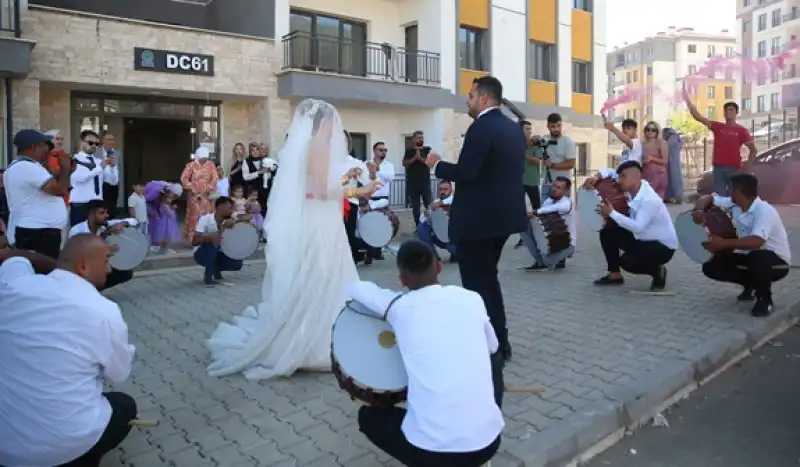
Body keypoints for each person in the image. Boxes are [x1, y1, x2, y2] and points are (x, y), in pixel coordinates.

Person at [207, 99, 380, 380]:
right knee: (323, 274)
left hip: (315, 218)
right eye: (334, 123)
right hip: (321, 220)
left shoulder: (304, 148)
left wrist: (347, 178)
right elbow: (323, 192)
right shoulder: (319, 148)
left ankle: (308, 331)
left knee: (316, 274)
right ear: (323, 124)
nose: (337, 129)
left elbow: (314, 188)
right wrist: (362, 191)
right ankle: (317, 339)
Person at [348, 240, 503, 467]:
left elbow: (355, 288)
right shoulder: (471, 298)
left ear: (402, 280)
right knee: (495, 359)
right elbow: (493, 348)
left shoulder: (398, 306)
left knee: (368, 418)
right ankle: (484, 416)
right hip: (488, 444)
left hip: (432, 456)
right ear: (439, 268)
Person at [0, 234, 137, 467]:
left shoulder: (11, 287)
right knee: (124, 406)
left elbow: (13, 259)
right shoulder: (103, 311)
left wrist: (55, 266)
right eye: (106, 260)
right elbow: (120, 374)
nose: (109, 269)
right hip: (65, 447)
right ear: (83, 265)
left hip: (7, 450)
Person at [425, 75, 527, 364]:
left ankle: (490, 348)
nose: (467, 101)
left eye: (470, 96)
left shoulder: (481, 128)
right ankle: (500, 342)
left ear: (484, 99)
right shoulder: (512, 128)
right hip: (504, 219)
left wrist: (438, 165)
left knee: (477, 287)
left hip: (479, 222)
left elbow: (469, 172)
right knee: (489, 281)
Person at [694, 173, 791, 317]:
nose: (729, 192)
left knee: (758, 257)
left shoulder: (764, 211)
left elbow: (757, 241)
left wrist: (723, 244)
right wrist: (699, 210)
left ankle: (765, 298)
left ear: (738, 191)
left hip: (775, 262)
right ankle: (751, 285)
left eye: (731, 189)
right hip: (748, 255)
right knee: (711, 265)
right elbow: (708, 198)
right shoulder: (735, 204)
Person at [587, 160, 678, 290]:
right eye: (620, 176)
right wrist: (596, 177)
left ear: (637, 176)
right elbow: (611, 172)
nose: (619, 179)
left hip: (662, 246)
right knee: (607, 231)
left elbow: (638, 226)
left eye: (624, 176)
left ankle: (658, 271)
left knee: (627, 262)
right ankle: (614, 275)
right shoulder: (631, 188)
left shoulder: (649, 199)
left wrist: (612, 213)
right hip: (642, 238)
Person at [4, 129, 70, 258]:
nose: (47, 149)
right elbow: (60, 190)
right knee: (41, 273)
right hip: (36, 233)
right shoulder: (27, 167)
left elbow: (51, 186)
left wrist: (63, 173)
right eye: (44, 145)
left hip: (36, 231)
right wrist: (65, 168)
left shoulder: (23, 166)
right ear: (34, 147)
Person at [683, 81, 757, 196]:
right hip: (719, 167)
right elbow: (698, 117)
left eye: (731, 109)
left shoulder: (742, 130)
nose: (728, 112)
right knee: (719, 197)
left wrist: (747, 166)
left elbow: (753, 150)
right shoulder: (718, 127)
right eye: (726, 110)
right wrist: (687, 101)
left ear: (736, 112)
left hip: (734, 168)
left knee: (735, 196)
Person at [68, 199, 137, 291]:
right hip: (81, 268)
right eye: (102, 213)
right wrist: (103, 250)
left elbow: (135, 221)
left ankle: (94, 290)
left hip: (97, 265)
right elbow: (75, 255)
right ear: (91, 215)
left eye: (106, 212)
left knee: (126, 273)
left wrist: (123, 224)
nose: (107, 215)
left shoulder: (106, 225)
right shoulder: (77, 230)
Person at [521, 176, 575, 271]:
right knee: (525, 229)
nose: (554, 189)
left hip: (568, 244)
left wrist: (534, 212)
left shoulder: (567, 203)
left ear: (566, 191)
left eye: (558, 188)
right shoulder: (549, 200)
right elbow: (540, 215)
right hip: (553, 239)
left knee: (548, 263)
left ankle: (560, 257)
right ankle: (542, 261)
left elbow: (552, 209)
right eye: (554, 186)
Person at [192, 196, 248, 286]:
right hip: (202, 254)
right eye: (229, 207)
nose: (231, 210)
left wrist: (237, 218)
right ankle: (208, 278)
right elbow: (194, 241)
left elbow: (248, 217)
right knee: (211, 244)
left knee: (237, 263)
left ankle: (216, 271)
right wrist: (209, 237)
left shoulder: (229, 220)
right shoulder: (205, 219)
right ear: (220, 206)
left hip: (220, 252)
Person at [70, 130, 118, 227]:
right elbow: (81, 178)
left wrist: (113, 168)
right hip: (81, 203)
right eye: (90, 143)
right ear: (81, 143)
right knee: (80, 237)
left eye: (96, 144)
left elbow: (113, 181)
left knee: (95, 236)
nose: (93, 146)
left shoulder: (98, 161)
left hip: (97, 204)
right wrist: (100, 167)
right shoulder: (74, 159)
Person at [364, 141, 395, 261]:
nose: (383, 152)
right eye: (380, 150)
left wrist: (376, 170)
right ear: (374, 151)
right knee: (368, 225)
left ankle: (378, 251)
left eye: (385, 150)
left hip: (383, 199)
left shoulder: (388, 165)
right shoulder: (366, 164)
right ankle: (370, 252)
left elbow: (390, 177)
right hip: (370, 198)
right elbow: (363, 179)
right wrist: (370, 172)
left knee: (381, 226)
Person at [181, 146, 219, 242]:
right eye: (202, 158)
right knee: (195, 215)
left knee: (208, 215)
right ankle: (193, 238)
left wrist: (210, 187)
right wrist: (191, 187)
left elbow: (215, 177)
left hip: (207, 195)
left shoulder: (210, 165)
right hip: (194, 195)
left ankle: (208, 237)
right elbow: (184, 178)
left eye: (205, 158)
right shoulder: (191, 165)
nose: (204, 160)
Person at [535, 113, 576, 199]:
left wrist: (552, 165)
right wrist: (533, 140)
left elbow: (571, 164)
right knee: (545, 210)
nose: (556, 129)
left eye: (559, 125)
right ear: (548, 127)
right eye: (553, 126)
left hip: (562, 185)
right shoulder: (544, 139)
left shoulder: (568, 142)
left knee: (560, 211)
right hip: (547, 183)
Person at [417, 179, 456, 262]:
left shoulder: (456, 200)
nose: (442, 192)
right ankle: (432, 255)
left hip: (455, 238)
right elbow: (422, 219)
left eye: (445, 189)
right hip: (440, 235)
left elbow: (450, 200)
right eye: (440, 189)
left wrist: (439, 204)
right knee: (422, 227)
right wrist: (426, 213)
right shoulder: (436, 202)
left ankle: (456, 254)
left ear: (451, 190)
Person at [403, 130, 433, 231]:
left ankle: (432, 225)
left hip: (425, 182)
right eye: (418, 138)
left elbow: (429, 163)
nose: (421, 139)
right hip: (413, 183)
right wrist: (413, 159)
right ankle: (418, 226)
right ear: (413, 139)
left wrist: (420, 158)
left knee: (428, 204)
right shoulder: (409, 150)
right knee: (415, 207)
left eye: (422, 138)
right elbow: (405, 163)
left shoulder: (428, 150)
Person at [144, 181, 181, 254]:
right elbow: (169, 214)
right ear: (165, 198)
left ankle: (164, 248)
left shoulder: (165, 205)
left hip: (168, 223)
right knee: (165, 237)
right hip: (166, 224)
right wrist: (173, 209)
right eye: (170, 198)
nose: (172, 200)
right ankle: (162, 248)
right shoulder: (164, 205)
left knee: (167, 237)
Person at [641, 121, 669, 199]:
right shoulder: (642, 144)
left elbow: (665, 161)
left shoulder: (662, 143)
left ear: (657, 132)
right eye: (648, 129)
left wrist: (652, 159)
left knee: (657, 201)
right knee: (645, 200)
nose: (650, 132)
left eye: (653, 130)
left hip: (659, 175)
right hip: (646, 175)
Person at [99, 131, 121, 215]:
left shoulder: (117, 153)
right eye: (108, 139)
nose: (111, 142)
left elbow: (120, 169)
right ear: (103, 141)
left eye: (113, 140)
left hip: (113, 186)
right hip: (101, 185)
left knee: (112, 211)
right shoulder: (96, 152)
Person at [663, 127, 684, 204]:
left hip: (670, 161)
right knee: (675, 177)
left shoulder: (671, 140)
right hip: (674, 162)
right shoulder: (676, 139)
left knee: (672, 177)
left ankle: (674, 196)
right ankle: (676, 196)